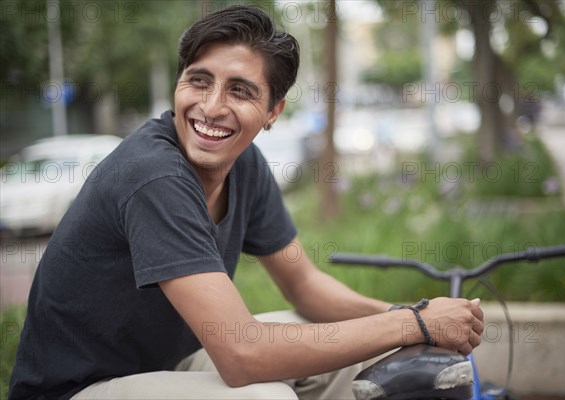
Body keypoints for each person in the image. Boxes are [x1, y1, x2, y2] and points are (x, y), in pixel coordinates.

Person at [9, 5, 483, 400]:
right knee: (262, 394)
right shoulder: (153, 175)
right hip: (77, 390)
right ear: (178, 84)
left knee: (357, 346)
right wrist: (416, 324)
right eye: (199, 81)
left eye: (240, 90)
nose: (211, 106)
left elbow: (305, 286)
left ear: (273, 111)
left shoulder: (244, 164)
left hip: (168, 367)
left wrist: (409, 316)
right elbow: (240, 355)